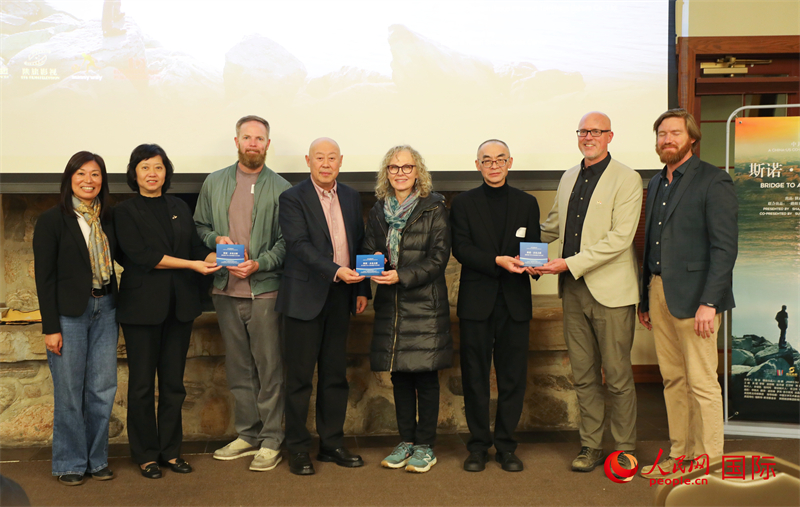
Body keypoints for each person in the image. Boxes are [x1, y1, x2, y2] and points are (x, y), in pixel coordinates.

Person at [537, 112, 643, 472]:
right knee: (583, 375)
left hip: (611, 292)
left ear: (610, 136)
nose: (588, 136)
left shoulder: (627, 178)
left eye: (596, 131)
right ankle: (591, 446)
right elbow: (553, 226)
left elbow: (620, 239)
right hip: (573, 291)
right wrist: (511, 241)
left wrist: (568, 263)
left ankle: (625, 447)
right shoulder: (568, 176)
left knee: (617, 376)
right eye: (583, 131)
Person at [638, 108, 738, 475]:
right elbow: (651, 243)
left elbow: (724, 248)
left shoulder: (714, 180)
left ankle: (708, 465)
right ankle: (679, 455)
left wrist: (709, 302)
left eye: (675, 133)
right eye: (662, 134)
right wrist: (645, 298)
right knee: (673, 381)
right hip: (659, 291)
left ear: (692, 139)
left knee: (702, 383)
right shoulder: (655, 183)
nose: (667, 140)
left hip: (698, 299)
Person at [115, 144, 220, 479]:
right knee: (142, 386)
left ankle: (171, 452)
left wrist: (219, 254)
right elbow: (142, 256)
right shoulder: (123, 211)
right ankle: (146, 455)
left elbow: (195, 248)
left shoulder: (179, 206)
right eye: (145, 167)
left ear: (166, 172)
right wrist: (192, 264)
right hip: (141, 310)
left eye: (158, 167)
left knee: (174, 385)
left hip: (180, 307)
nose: (152, 173)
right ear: (134, 173)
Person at [194, 115, 292, 472]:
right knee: (239, 369)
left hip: (265, 292)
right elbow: (200, 225)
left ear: (268, 144)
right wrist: (214, 239)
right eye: (247, 137)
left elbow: (287, 242)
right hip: (225, 291)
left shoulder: (282, 188)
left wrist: (260, 263)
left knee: (269, 370)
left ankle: (272, 439)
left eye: (259, 138)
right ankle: (248, 434)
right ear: (236, 141)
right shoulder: (214, 182)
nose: (253, 143)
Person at [277, 137, 370, 476]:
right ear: (308, 161)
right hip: (304, 298)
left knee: (334, 376)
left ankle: (331, 444)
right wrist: (335, 270)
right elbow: (298, 245)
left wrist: (361, 287)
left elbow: (358, 243)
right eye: (320, 157)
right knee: (299, 379)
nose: (326, 163)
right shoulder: (292, 197)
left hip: (341, 296)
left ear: (341, 162)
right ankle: (298, 449)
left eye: (332, 157)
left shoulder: (351, 196)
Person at [450, 139, 540, 472]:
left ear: (510, 162)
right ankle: (477, 446)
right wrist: (496, 260)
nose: (494, 165)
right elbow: (460, 248)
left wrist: (536, 266)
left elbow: (533, 247)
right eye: (487, 160)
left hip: (515, 302)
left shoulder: (527, 203)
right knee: (474, 377)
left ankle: (505, 446)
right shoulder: (463, 203)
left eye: (500, 159)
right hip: (477, 302)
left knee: (512, 377)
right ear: (477, 165)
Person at [363, 145, 452, 473]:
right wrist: (374, 261)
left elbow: (439, 258)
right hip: (392, 305)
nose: (400, 173)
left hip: (425, 304)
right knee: (399, 375)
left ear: (418, 172)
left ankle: (425, 446)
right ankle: (406, 441)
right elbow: (369, 248)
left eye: (407, 167)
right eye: (394, 167)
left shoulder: (434, 207)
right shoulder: (378, 210)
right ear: (386, 173)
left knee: (425, 376)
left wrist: (402, 275)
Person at [32, 151, 119, 486]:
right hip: (69, 315)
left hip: (106, 309)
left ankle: (97, 460)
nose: (88, 180)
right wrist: (50, 328)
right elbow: (45, 279)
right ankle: (70, 462)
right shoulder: (52, 220)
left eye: (95, 174)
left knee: (103, 389)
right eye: (81, 173)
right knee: (69, 391)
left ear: (102, 180)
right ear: (69, 178)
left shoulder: (107, 218)